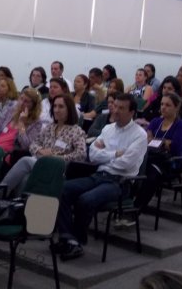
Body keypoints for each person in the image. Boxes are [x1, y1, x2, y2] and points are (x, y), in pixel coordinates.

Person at [54, 93, 147, 261]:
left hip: (120, 182)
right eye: (115, 106)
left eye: (121, 108)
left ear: (132, 112)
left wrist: (105, 154)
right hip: (99, 175)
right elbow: (92, 155)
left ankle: (75, 241)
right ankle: (68, 238)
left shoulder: (139, 134)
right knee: (63, 189)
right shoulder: (108, 129)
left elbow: (126, 163)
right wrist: (115, 154)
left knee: (86, 200)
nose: (115, 111)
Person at [0, 93, 85, 197]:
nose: (56, 110)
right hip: (40, 161)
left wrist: (57, 157)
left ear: (69, 109)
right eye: (55, 106)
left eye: (61, 107)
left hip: (58, 167)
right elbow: (33, 144)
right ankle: (16, 204)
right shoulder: (49, 128)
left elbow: (81, 154)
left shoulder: (76, 131)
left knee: (26, 160)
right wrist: (40, 150)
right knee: (25, 178)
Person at [135, 93, 182, 210]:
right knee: (135, 169)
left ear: (177, 107)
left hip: (170, 162)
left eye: (168, 105)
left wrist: (156, 140)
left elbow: (175, 147)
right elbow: (146, 140)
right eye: (162, 104)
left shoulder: (181, 125)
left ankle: (137, 209)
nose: (163, 107)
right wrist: (164, 142)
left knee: (151, 175)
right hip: (151, 157)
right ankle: (128, 203)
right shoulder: (156, 121)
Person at [0, 88, 44, 166]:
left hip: (7, 155)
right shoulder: (11, 112)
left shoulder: (36, 123)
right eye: (21, 98)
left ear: (34, 105)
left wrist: (21, 124)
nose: (21, 103)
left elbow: (26, 146)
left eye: (26, 101)